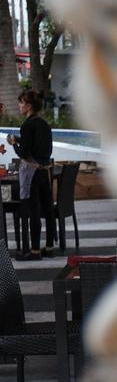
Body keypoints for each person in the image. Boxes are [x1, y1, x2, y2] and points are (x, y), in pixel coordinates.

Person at [1, 89, 55, 260]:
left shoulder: (27, 125)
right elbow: (47, 150)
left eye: (21, 103)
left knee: (33, 211)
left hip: (32, 174)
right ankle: (49, 246)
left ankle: (34, 251)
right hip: (45, 171)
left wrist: (14, 143)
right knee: (47, 210)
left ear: (29, 106)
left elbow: (23, 153)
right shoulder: (45, 124)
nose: (19, 105)